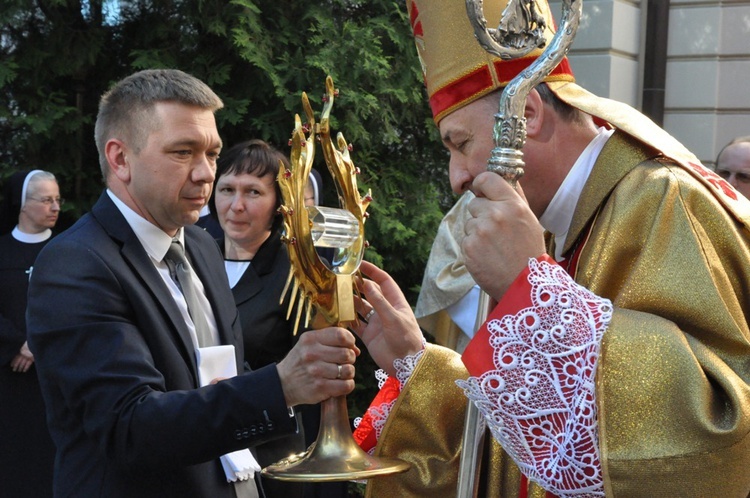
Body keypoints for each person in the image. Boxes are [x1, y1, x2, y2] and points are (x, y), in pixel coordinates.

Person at [348, 0, 750, 496]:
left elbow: (721, 438)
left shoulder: (665, 200)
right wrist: (416, 365)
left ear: (529, 114)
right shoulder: (550, 220)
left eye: (459, 143)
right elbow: (522, 450)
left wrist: (534, 293)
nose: (456, 177)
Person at [26, 69, 359, 498]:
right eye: (183, 152)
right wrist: (280, 386)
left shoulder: (202, 246)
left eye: (212, 153)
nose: (206, 174)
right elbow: (130, 427)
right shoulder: (73, 264)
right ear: (120, 159)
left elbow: (222, 383)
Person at [209, 139, 307, 497]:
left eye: (253, 192)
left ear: (278, 203)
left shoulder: (298, 271)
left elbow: (308, 370)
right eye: (227, 189)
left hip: (269, 451)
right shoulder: (190, 259)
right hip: (196, 441)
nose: (236, 205)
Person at [0, 169, 60, 497]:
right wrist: (15, 345)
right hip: (9, 374)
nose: (55, 207)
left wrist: (35, 345)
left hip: (53, 374)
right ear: (23, 205)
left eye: (57, 199)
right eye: (46, 199)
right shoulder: (2, 251)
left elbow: (74, 306)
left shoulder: (68, 250)